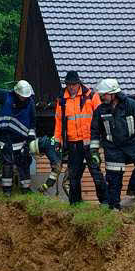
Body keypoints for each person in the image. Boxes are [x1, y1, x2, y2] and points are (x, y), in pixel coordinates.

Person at [90, 78, 135, 210]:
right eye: (100, 95)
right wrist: (94, 152)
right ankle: (114, 208)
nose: (101, 97)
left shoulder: (130, 104)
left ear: (113, 94)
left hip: (132, 143)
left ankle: (134, 189)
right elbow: (95, 132)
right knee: (114, 180)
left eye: (104, 95)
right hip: (113, 148)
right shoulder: (100, 111)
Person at [0, 64, 35, 195]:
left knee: (23, 163)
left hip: (21, 140)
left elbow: (33, 124)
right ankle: (7, 190)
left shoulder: (30, 104)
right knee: (7, 164)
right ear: (16, 92)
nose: (24, 98)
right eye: (22, 96)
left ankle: (26, 189)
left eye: (25, 96)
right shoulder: (6, 96)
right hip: (4, 138)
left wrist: (30, 140)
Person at [54, 70, 107, 204]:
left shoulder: (91, 96)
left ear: (78, 83)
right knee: (73, 176)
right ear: (66, 84)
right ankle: (75, 205)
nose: (71, 87)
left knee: (96, 173)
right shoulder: (62, 100)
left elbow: (101, 117)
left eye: (74, 84)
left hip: (90, 143)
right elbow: (58, 122)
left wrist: (102, 137)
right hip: (73, 144)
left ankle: (106, 203)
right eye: (69, 84)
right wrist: (57, 141)